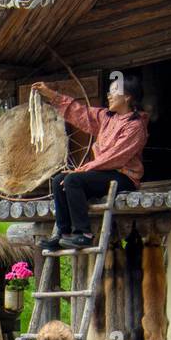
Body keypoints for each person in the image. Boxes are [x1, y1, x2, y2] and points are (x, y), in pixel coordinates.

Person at [31, 75, 148, 251]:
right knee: (58, 181)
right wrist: (51, 95)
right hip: (103, 174)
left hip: (125, 177)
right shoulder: (106, 118)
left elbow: (115, 157)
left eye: (114, 91)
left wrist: (82, 169)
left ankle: (83, 234)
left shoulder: (136, 125)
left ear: (128, 96)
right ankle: (64, 233)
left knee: (73, 180)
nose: (109, 95)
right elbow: (79, 112)